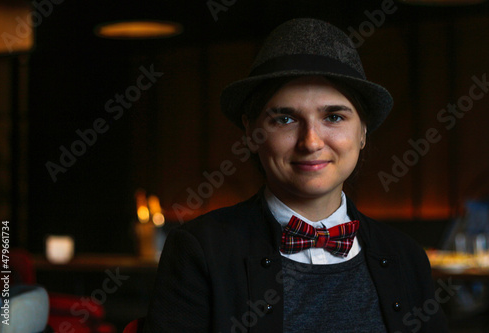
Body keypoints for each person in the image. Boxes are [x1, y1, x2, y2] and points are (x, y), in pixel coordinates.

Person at [143, 18, 448, 333]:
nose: (311, 142)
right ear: (251, 132)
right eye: (285, 118)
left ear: (362, 133)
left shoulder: (406, 256)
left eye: (334, 116)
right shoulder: (199, 250)